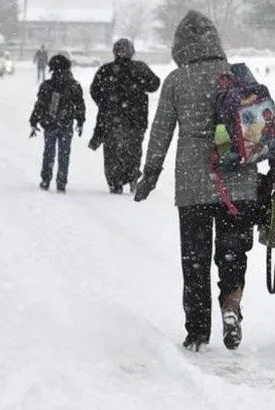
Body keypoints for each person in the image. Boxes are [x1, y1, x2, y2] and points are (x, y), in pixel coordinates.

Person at [134, 11, 258, 352]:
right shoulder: (236, 76)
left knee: (195, 260)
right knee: (233, 254)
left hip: (194, 187)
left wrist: (150, 174)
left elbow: (160, 132)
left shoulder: (177, 80)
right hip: (240, 184)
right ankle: (231, 307)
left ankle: (197, 332)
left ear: (180, 46)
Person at [90, 38, 160, 194]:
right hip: (136, 119)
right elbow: (155, 84)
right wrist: (139, 86)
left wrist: (106, 103)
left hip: (112, 120)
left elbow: (94, 90)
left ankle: (115, 182)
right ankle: (132, 175)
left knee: (112, 152)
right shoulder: (140, 68)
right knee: (133, 150)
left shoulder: (106, 70)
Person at [29, 54, 85, 193]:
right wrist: (80, 120)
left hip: (50, 123)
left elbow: (40, 105)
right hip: (66, 123)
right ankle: (61, 181)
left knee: (49, 152)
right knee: (64, 154)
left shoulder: (47, 85)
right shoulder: (74, 85)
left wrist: (34, 120)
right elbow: (80, 104)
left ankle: (46, 179)